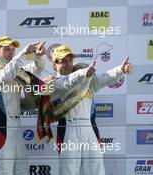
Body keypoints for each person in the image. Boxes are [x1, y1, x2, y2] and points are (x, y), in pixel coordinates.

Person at [48, 45, 132, 175]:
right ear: (54, 64)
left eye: (70, 60)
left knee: (96, 170)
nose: (68, 64)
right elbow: (65, 83)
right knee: (69, 171)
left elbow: (105, 78)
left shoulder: (86, 80)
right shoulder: (52, 83)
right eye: (63, 60)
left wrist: (120, 70)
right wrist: (83, 73)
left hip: (89, 128)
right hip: (68, 130)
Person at [0, 36, 46, 175]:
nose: (10, 52)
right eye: (6, 49)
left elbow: (37, 69)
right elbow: (6, 75)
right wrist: (22, 53)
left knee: (21, 167)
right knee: (4, 168)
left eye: (12, 49)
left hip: (16, 124)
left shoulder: (17, 70)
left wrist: (38, 56)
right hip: (1, 125)